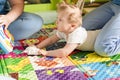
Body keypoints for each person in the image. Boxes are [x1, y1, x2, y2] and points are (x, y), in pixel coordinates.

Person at [23, 1, 88, 57]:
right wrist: (37, 47)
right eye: (57, 18)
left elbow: (64, 52)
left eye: (60, 20)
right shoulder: (65, 30)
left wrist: (47, 53)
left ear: (72, 26)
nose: (56, 21)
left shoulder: (76, 34)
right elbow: (51, 40)